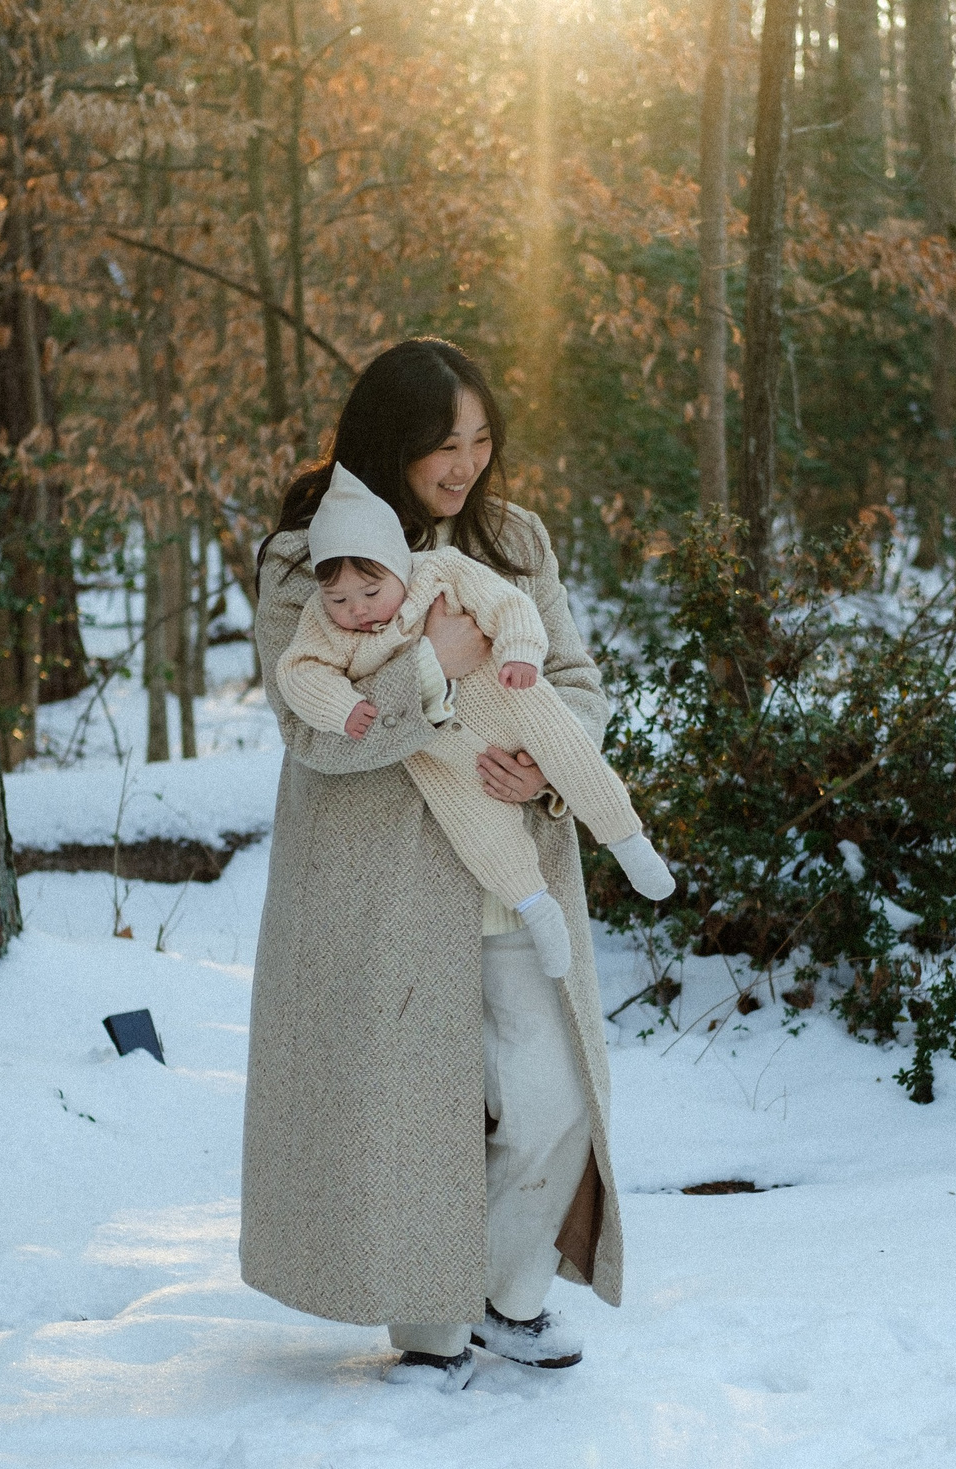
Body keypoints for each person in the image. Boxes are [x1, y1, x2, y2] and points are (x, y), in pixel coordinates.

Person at [244, 338, 627, 1391]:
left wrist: (545, 771)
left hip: (513, 869)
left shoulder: (513, 538)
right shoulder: (305, 557)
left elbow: (578, 681)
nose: (463, 465)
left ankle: (504, 1298)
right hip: (380, 884)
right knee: (410, 1107)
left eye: (480, 439)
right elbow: (311, 726)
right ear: (388, 447)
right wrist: (434, 670)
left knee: (552, 1098)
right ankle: (428, 1330)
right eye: (439, 446)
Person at [274, 463, 675, 979]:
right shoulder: (323, 622)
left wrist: (521, 651)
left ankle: (627, 840)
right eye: (339, 599)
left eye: (371, 594)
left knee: (571, 752)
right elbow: (298, 672)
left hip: (513, 695)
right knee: (479, 830)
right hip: (440, 749)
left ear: (398, 565)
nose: (357, 611)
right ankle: (536, 906)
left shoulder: (441, 571)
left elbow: (507, 603)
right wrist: (342, 706)